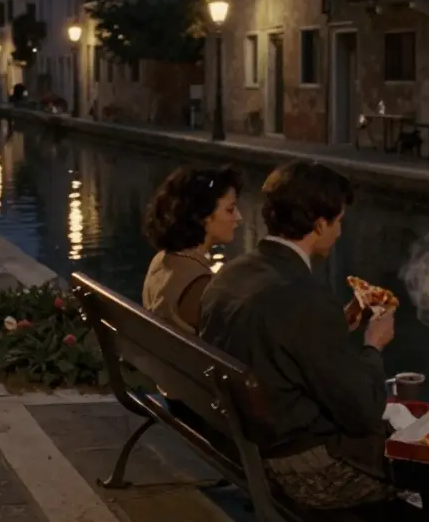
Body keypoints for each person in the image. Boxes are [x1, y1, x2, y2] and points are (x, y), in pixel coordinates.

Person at [198, 161, 402, 511]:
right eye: (338, 222)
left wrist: (334, 326)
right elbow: (363, 412)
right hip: (299, 469)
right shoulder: (303, 294)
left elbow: (281, 342)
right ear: (319, 224)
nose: (339, 233)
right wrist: (373, 345)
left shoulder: (231, 273)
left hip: (236, 442)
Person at [141, 165, 243, 334]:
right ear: (202, 216)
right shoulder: (200, 286)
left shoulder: (161, 259)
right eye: (230, 209)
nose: (239, 218)